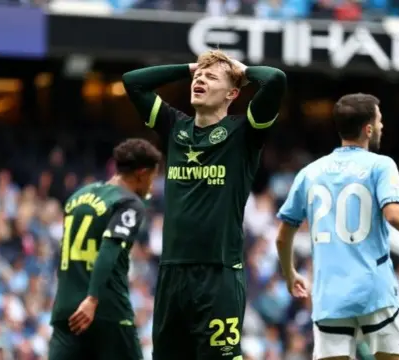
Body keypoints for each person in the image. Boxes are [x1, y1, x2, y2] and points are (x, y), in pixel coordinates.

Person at [275, 93, 399, 360]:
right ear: (368, 129)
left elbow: (282, 237)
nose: (382, 126)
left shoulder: (309, 173)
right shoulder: (381, 166)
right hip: (374, 293)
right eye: (379, 121)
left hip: (329, 297)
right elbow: (394, 215)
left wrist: (290, 275)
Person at [122, 50, 286, 360]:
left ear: (232, 93)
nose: (200, 79)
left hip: (218, 275)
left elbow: (276, 80)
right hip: (172, 273)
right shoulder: (174, 126)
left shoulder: (245, 133)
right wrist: (189, 67)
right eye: (199, 76)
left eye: (211, 78)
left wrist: (242, 70)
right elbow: (133, 83)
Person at [48, 138, 161, 360]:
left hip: (65, 308)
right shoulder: (129, 203)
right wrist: (92, 298)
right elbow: (109, 250)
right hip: (106, 312)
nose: (152, 184)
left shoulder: (77, 197)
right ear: (141, 173)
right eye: (152, 176)